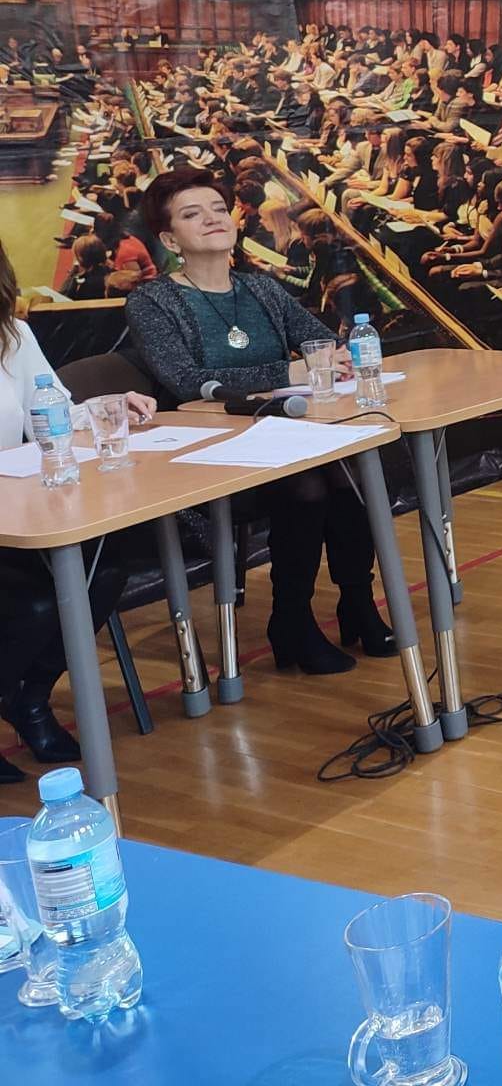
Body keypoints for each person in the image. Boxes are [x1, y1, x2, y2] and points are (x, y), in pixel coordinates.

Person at [123, 168, 395, 675]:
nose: (213, 219)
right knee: (308, 485)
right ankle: (291, 619)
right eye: (192, 214)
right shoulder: (151, 301)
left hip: (280, 431)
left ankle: (357, 601)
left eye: (218, 209)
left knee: (350, 470)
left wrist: (332, 357)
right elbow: (185, 381)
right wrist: (288, 371)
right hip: (206, 451)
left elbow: (320, 344)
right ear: (170, 240)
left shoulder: (260, 288)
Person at [0, 239, 156, 782]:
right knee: (38, 604)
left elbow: (52, 411)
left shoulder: (13, 335)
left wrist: (106, 409)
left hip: (17, 513)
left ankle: (30, 699)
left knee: (103, 573)